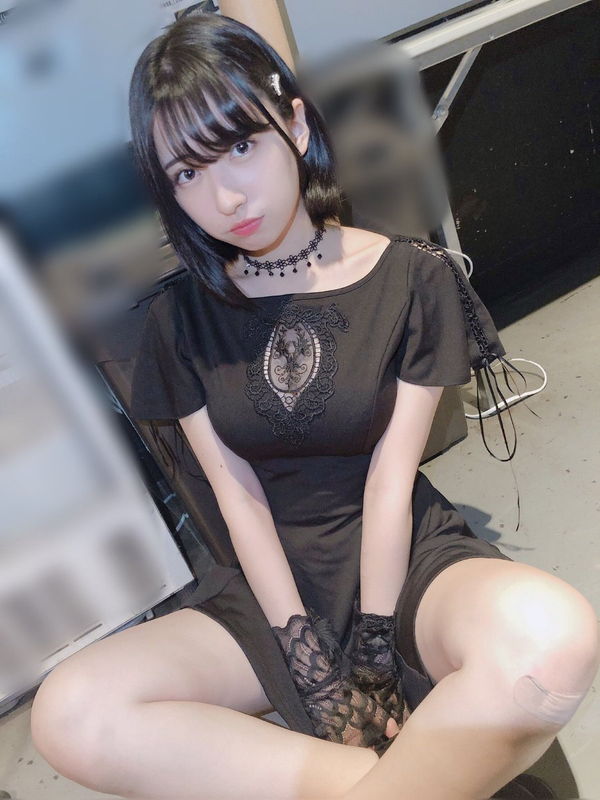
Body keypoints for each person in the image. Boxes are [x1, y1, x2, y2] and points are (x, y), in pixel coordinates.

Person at [29, 13, 599, 800]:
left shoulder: (411, 278)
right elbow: (237, 498)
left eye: (240, 145)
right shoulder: (179, 322)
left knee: (553, 638)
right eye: (187, 173)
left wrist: (374, 648)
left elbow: (390, 482)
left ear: (295, 126)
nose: (225, 196)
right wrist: (311, 666)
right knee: (69, 713)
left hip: (403, 560)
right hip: (270, 588)